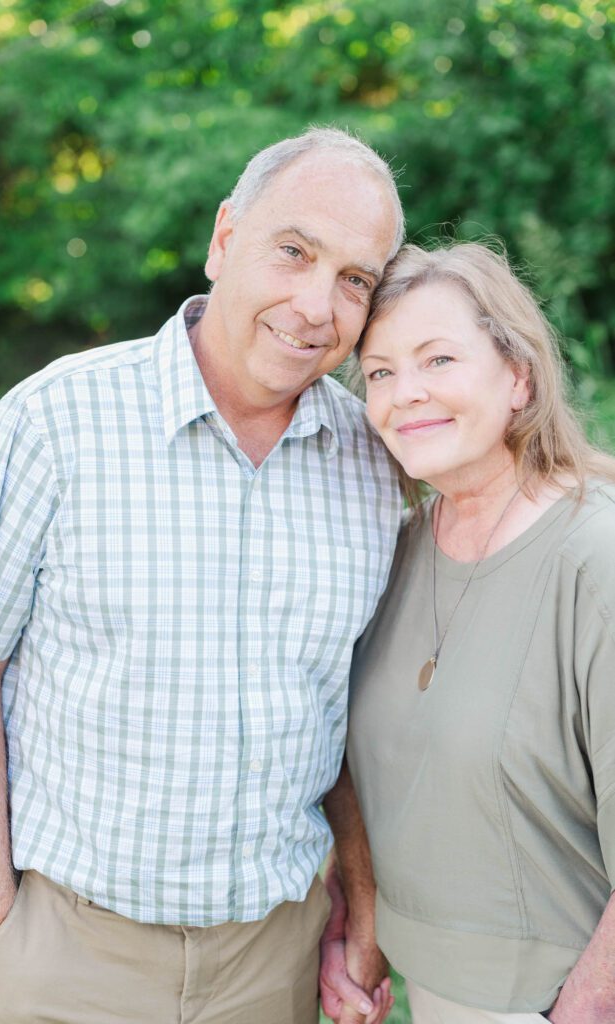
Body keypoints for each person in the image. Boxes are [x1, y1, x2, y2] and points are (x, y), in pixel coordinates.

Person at [0, 127, 404, 1024]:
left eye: (355, 280)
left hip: (274, 962)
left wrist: (359, 908)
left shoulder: (376, 464)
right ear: (225, 237)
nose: (315, 305)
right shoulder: (50, 422)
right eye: (294, 251)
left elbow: (355, 713)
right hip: (68, 953)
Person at [324, 241, 615, 1024]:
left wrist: (583, 1009)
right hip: (436, 994)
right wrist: (359, 923)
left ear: (517, 376)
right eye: (379, 372)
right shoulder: (396, 547)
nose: (404, 394)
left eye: (438, 359)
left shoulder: (594, 558)